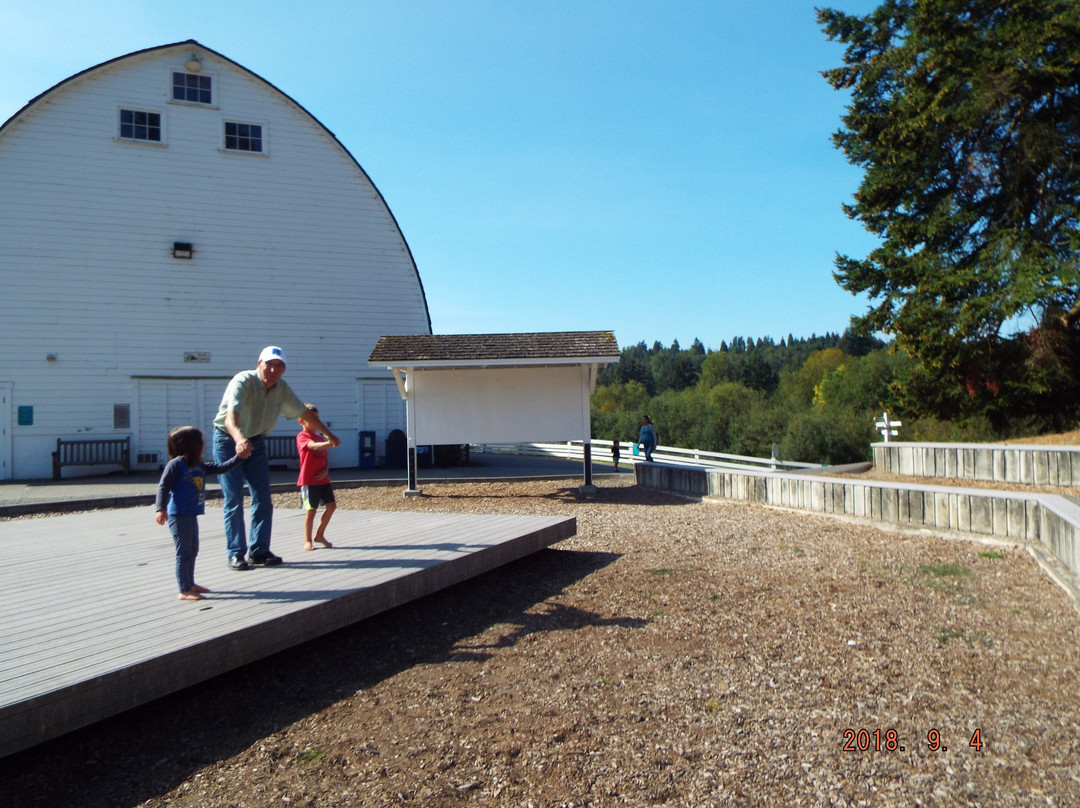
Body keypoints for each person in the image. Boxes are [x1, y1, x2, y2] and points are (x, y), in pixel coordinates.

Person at [213, 345, 340, 570]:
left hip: (256, 441)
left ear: (284, 369)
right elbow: (231, 418)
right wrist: (239, 439)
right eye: (269, 364)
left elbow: (304, 412)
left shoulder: (281, 389)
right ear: (259, 363)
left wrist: (329, 434)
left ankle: (259, 551)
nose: (273, 370)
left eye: (279, 366)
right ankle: (235, 553)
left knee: (262, 496)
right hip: (228, 439)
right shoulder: (243, 381)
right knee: (233, 498)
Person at [155, 425, 248, 600]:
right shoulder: (176, 464)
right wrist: (161, 508)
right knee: (183, 551)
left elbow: (222, 468)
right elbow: (163, 486)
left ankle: (190, 583)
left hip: (191, 513)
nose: (204, 444)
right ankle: (183, 589)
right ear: (191, 445)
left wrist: (239, 457)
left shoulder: (199, 465)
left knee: (193, 549)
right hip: (178, 514)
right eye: (201, 441)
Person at [297, 404, 336, 552]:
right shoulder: (302, 437)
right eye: (311, 419)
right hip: (309, 480)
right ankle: (307, 540)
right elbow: (313, 447)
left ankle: (319, 535)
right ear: (302, 421)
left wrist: (326, 470)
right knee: (311, 510)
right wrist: (329, 442)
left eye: (317, 419)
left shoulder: (319, 436)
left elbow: (325, 458)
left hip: (323, 479)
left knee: (332, 506)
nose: (315, 422)